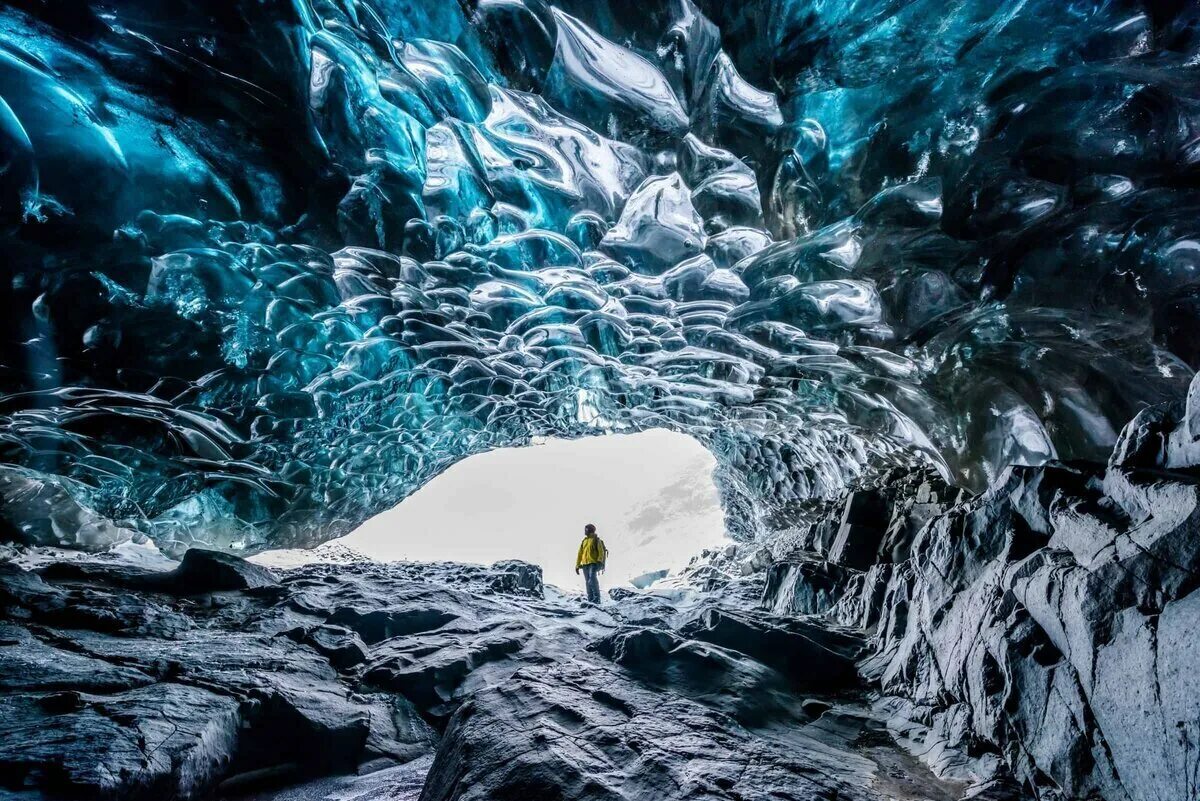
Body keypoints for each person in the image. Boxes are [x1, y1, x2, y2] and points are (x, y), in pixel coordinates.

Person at [575, 523, 607, 604]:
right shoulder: (584, 541)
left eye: (585, 529)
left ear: (589, 530)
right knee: (587, 582)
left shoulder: (596, 540)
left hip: (593, 563)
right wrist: (577, 565)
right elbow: (580, 553)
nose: (584, 531)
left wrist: (599, 562)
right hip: (585, 565)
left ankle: (597, 599)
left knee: (592, 580)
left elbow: (601, 551)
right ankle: (590, 599)